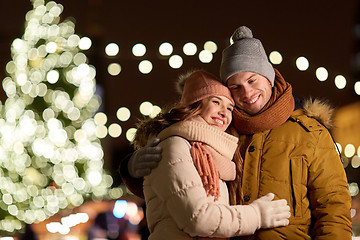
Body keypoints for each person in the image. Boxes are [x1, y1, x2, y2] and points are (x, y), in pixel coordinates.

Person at [119, 26, 352, 239]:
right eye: (235, 87)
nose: (247, 92)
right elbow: (175, 185)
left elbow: (333, 208)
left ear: (269, 77)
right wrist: (132, 168)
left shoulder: (310, 132)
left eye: (252, 80)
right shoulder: (219, 132)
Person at [130, 70, 290, 240]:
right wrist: (257, 215)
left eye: (230, 108)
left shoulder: (213, 153)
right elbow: (197, 219)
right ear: (195, 104)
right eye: (216, 102)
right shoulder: (174, 145)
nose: (224, 112)